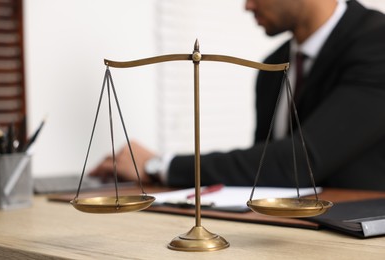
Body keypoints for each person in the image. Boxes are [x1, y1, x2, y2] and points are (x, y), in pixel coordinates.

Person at [90, 0, 385, 191]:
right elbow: (262, 172)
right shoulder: (273, 66)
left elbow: (298, 162)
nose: (246, 6)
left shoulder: (377, 42)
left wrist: (160, 165)